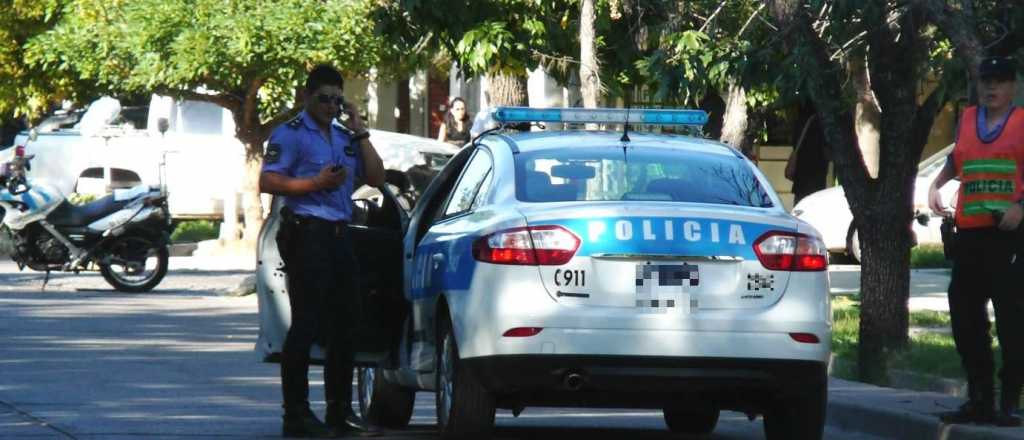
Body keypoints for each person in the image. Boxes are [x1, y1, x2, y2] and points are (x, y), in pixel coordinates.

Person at [259, 64, 386, 438]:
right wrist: (314, 182)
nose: (331, 106)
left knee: (347, 324)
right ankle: (295, 414)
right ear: (305, 96)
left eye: (336, 100)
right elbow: (267, 180)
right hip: (306, 232)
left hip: (338, 233)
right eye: (323, 99)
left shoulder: (345, 137)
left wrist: (360, 128)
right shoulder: (291, 134)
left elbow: (376, 178)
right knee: (307, 324)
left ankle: (340, 413)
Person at [928, 56, 1023, 427]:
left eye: (999, 81)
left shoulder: (1021, 122)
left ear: (1012, 86)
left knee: (1013, 321)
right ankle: (979, 397)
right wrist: (937, 184)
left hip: (1010, 236)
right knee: (965, 318)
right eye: (986, 81)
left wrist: (1020, 206)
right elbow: (958, 158)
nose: (991, 88)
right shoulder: (968, 119)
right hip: (970, 234)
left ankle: (1009, 401)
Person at [785, 103, 829, 204]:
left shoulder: (801, 123)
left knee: (800, 209)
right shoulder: (822, 123)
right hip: (817, 178)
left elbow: (795, 144)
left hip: (801, 178)